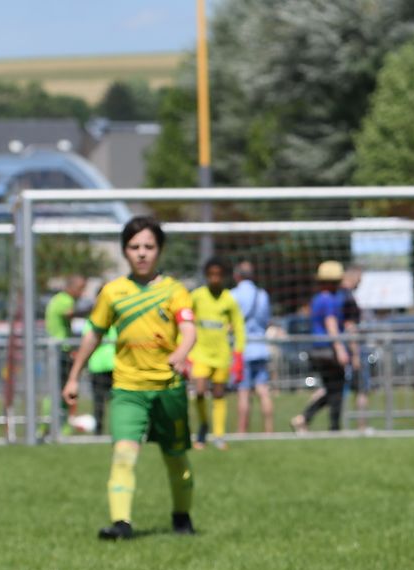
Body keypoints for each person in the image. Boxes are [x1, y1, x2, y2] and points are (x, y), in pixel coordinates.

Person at [62, 215, 197, 540]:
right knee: (124, 454)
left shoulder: (174, 291)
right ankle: (121, 524)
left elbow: (189, 329)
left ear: (159, 250)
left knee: (175, 457)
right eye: (135, 247)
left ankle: (182, 518)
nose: (142, 253)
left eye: (149, 246)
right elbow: (93, 335)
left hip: (168, 388)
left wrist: (181, 352)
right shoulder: (112, 293)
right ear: (125, 251)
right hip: (127, 388)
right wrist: (73, 377)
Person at [189, 257, 246, 450]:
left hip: (221, 355)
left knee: (219, 394)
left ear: (223, 276)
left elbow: (239, 327)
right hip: (200, 353)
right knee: (199, 392)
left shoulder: (229, 299)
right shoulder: (197, 296)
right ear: (206, 275)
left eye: (218, 275)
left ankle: (219, 435)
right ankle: (203, 425)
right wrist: (183, 349)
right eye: (211, 274)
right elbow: (185, 321)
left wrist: (238, 354)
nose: (215, 278)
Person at [291, 260, 349, 433]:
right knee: (336, 390)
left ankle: (304, 419)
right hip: (327, 350)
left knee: (331, 389)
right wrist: (340, 348)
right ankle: (332, 426)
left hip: (317, 349)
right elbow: (331, 324)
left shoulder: (316, 299)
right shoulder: (329, 300)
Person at [231, 260, 275, 433]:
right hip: (261, 347)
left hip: (243, 349)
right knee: (263, 391)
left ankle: (242, 432)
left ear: (237, 276)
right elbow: (266, 320)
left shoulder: (233, 295)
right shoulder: (262, 294)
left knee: (243, 392)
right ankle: (269, 431)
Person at [41, 274, 86, 437]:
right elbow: (70, 314)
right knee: (60, 390)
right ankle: (50, 425)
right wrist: (95, 311)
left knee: (58, 389)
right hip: (59, 351)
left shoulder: (58, 299)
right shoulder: (65, 300)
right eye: (80, 289)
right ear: (71, 287)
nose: (82, 293)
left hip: (59, 350)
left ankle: (55, 426)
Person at [337, 266, 370, 423]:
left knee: (332, 388)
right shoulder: (348, 298)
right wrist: (355, 353)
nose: (360, 283)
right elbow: (350, 327)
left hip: (342, 348)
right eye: (360, 279)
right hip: (350, 349)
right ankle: (362, 426)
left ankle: (304, 417)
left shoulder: (337, 295)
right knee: (362, 389)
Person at [83, 317, 116, 434]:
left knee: (115, 401)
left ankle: (111, 431)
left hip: (113, 365)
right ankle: (99, 431)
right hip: (100, 365)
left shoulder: (113, 319)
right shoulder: (91, 321)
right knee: (99, 401)